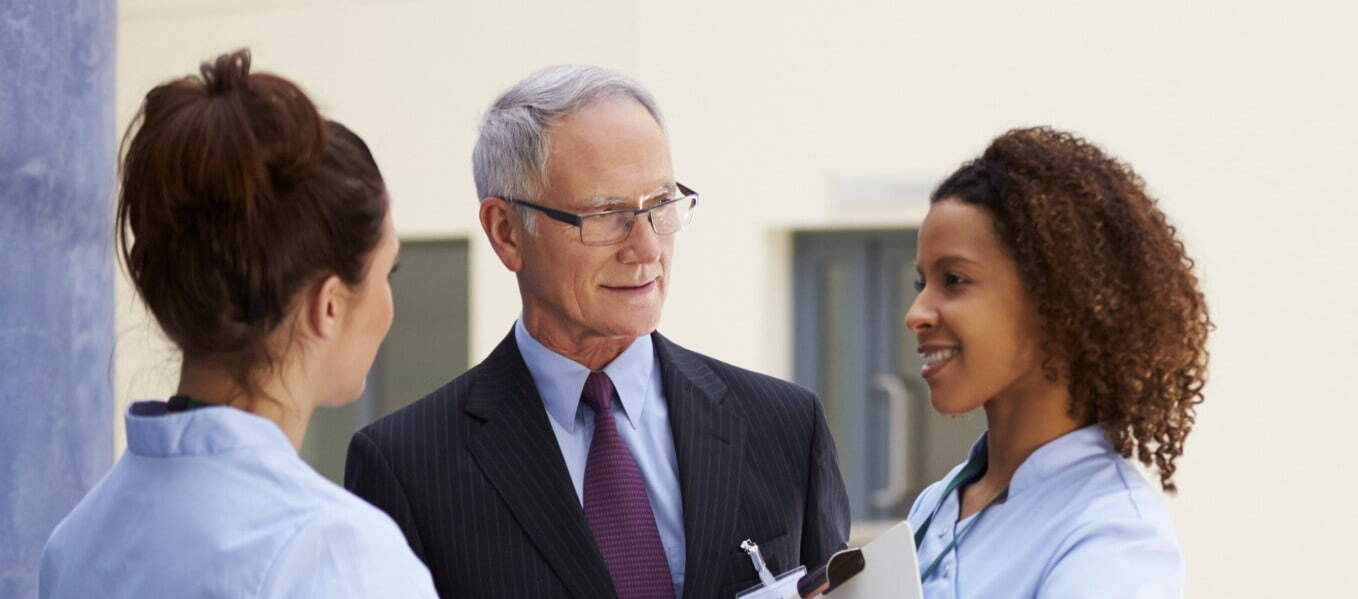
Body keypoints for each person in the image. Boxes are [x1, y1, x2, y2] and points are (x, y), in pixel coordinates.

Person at [344, 64, 850, 599]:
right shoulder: (406, 465)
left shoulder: (788, 428)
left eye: (660, 205)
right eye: (606, 214)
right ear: (506, 231)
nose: (647, 248)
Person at [38, 50, 433, 598]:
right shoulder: (340, 557)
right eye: (387, 270)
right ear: (331, 305)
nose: (390, 304)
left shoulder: (76, 541)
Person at [902, 126, 1212, 598]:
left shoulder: (1113, 535)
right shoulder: (936, 507)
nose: (917, 314)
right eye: (921, 283)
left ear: (1057, 300)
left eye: (955, 279)